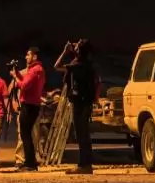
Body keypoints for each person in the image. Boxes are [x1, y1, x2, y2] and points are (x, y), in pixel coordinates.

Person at [56, 39, 98, 174]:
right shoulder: (85, 64)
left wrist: (64, 51)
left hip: (81, 103)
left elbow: (57, 66)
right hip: (84, 102)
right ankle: (85, 164)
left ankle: (84, 165)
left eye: (77, 45)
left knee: (82, 134)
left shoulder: (78, 65)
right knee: (83, 134)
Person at [11, 46, 46, 171]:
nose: (26, 57)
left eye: (28, 55)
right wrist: (17, 73)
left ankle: (30, 163)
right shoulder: (38, 69)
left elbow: (24, 86)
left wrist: (15, 77)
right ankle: (30, 162)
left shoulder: (34, 70)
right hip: (33, 105)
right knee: (27, 134)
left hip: (29, 105)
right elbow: (26, 81)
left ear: (34, 56)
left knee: (25, 134)